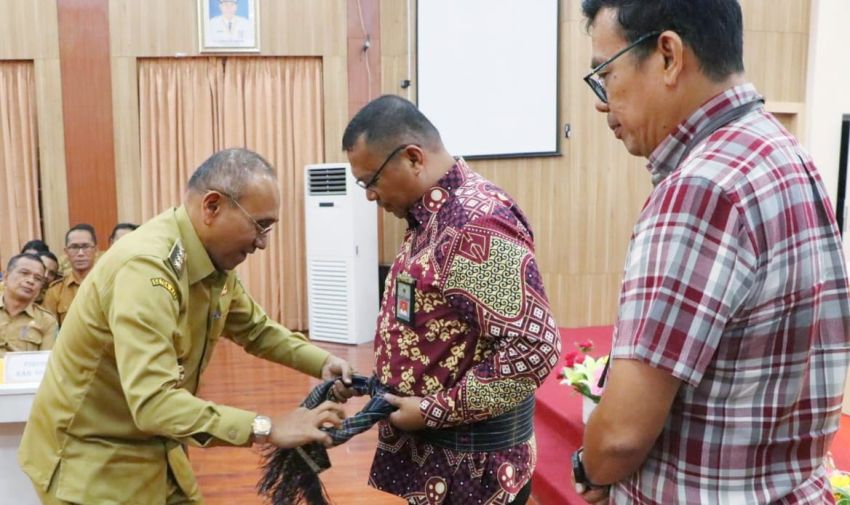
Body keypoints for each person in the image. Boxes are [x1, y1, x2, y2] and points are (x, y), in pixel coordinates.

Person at [573, 1, 850, 504]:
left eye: (606, 74)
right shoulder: (784, 151)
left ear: (668, 56)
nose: (601, 100)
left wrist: (588, 466)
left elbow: (620, 437)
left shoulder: (700, 187)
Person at [18, 148, 355, 504]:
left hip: (156, 446)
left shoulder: (210, 263)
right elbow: (154, 402)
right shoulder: (147, 270)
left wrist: (322, 362)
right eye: (259, 226)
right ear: (212, 206)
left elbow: (255, 329)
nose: (262, 243)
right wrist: (269, 427)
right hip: (91, 461)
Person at [342, 95, 561, 504]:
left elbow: (535, 348)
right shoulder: (430, 216)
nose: (369, 195)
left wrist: (431, 411)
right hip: (443, 465)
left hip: (475, 476)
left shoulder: (473, 227)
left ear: (412, 158)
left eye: (370, 180)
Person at [0, 253, 57, 357]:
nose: (31, 281)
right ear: (6, 276)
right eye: (24, 273)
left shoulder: (46, 321)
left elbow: (45, 366)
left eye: (38, 278)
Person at [42, 223, 98, 325]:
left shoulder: (109, 285)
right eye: (74, 247)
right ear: (66, 252)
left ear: (95, 250)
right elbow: (50, 330)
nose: (80, 253)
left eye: (86, 246)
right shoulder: (55, 291)